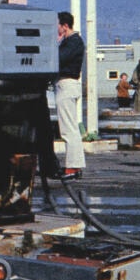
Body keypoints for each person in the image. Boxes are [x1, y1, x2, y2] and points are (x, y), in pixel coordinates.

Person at [54, 11, 86, 177]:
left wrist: (56, 44)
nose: (56, 29)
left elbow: (59, 59)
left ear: (65, 26)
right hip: (67, 85)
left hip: (66, 84)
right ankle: (75, 165)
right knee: (70, 127)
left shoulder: (73, 42)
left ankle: (73, 166)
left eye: (58, 26)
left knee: (68, 129)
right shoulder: (72, 41)